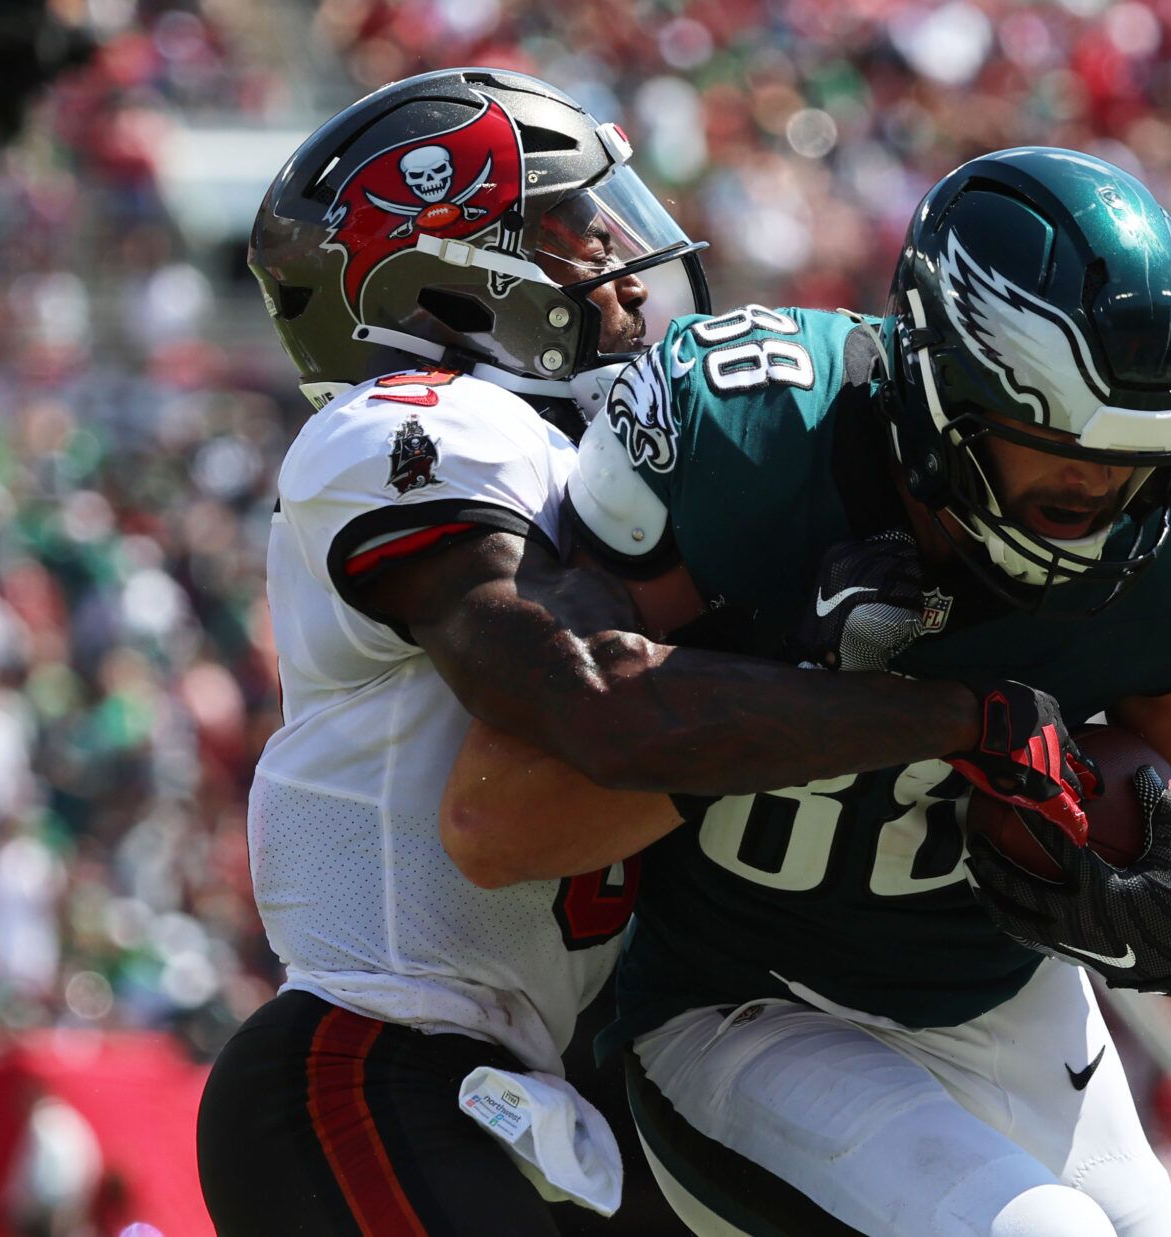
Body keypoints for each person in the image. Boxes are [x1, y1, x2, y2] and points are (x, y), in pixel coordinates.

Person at [196, 73, 1093, 1236]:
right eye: (574, 228)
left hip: (553, 1104)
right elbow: (584, 698)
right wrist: (922, 703)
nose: (622, 256)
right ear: (446, 283)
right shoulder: (415, 426)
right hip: (373, 1067)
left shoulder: (600, 465)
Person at [444, 147, 1171, 1235]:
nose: (1104, 506)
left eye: (1137, 474)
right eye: (1063, 466)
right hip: (741, 1004)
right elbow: (495, 814)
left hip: (1007, 1001)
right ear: (945, 395)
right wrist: (810, 703)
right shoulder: (748, 437)